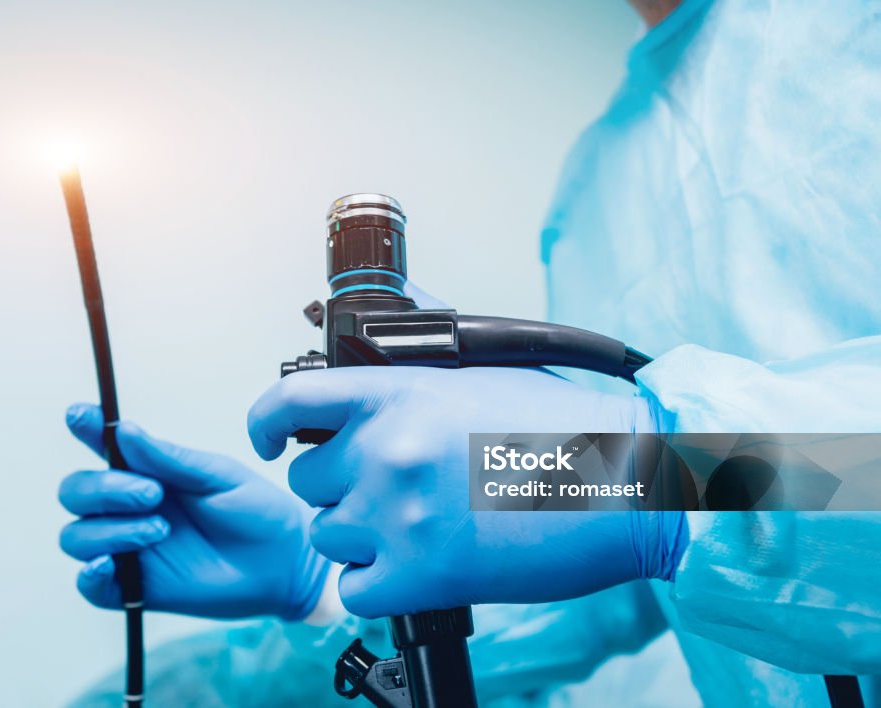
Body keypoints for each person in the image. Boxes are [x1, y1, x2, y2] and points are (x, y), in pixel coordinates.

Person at [60, 0, 881, 704]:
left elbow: (656, 487)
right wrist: (319, 586)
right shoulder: (595, 188)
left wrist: (640, 476)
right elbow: (629, 576)